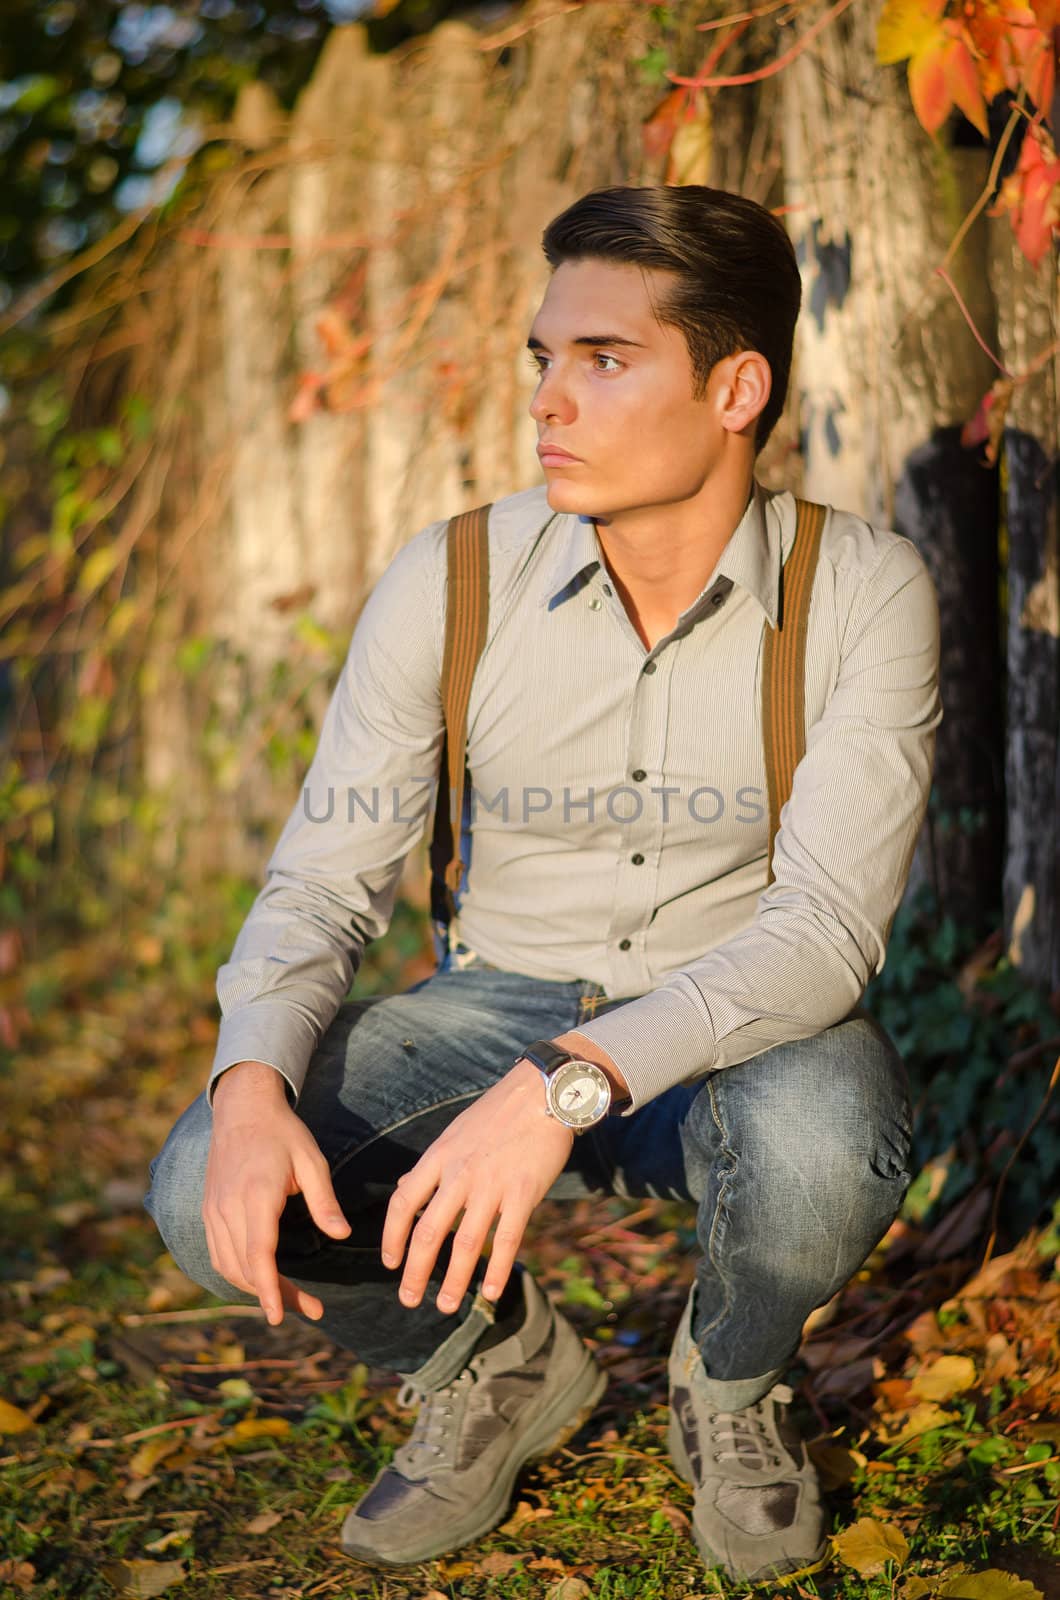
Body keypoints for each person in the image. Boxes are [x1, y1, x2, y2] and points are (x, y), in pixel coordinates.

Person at [144, 183, 940, 1584]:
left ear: (736, 386)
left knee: (831, 1137)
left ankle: (732, 1383)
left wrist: (568, 1082)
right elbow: (324, 877)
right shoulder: (453, 577)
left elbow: (821, 933)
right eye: (544, 358)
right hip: (492, 998)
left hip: (733, 1020)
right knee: (211, 1174)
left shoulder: (863, 588)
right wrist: (252, 1080)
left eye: (605, 360)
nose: (551, 402)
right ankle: (496, 1365)